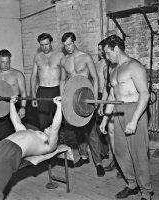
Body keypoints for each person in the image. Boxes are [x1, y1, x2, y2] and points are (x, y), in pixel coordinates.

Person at [0, 95, 62, 200]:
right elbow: (16, 120)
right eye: (50, 124)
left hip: (12, 152)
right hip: (1, 144)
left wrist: (59, 107)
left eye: (51, 126)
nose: (51, 125)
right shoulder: (28, 131)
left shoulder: (49, 145)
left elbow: (55, 127)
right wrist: (12, 103)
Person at [100, 34, 153, 200]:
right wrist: (105, 118)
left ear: (116, 49)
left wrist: (135, 119)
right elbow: (111, 97)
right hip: (118, 111)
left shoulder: (135, 66)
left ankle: (146, 191)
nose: (106, 57)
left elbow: (145, 94)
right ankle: (132, 184)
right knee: (121, 152)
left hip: (134, 110)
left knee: (138, 153)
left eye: (107, 53)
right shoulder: (112, 68)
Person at [60, 32, 105, 177]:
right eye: (65, 45)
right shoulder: (64, 61)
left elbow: (95, 78)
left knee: (91, 132)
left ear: (74, 41)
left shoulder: (85, 57)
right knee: (77, 130)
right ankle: (84, 156)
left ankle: (98, 163)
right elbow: (62, 81)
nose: (67, 47)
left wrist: (96, 99)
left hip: (86, 97)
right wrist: (63, 99)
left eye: (69, 44)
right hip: (72, 99)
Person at [0, 49, 27, 141]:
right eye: (3, 62)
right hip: (1, 104)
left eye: (8, 62)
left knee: (19, 133)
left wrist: (23, 107)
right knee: (2, 133)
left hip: (16, 103)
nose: (6, 65)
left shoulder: (17, 74)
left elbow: (23, 91)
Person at [97, 40, 122, 178]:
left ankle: (123, 165)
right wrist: (102, 105)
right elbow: (107, 91)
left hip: (122, 106)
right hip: (110, 103)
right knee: (111, 133)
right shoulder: (107, 68)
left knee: (121, 136)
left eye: (104, 51)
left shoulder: (121, 65)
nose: (102, 53)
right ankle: (115, 161)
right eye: (100, 51)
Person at [30, 33, 64, 131]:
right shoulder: (37, 57)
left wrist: (64, 93)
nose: (44, 47)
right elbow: (33, 76)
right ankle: (45, 143)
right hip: (42, 91)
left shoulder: (60, 55)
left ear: (51, 43)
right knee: (43, 122)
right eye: (42, 45)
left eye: (46, 44)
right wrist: (33, 97)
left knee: (58, 120)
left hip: (56, 90)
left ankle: (57, 142)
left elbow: (64, 76)